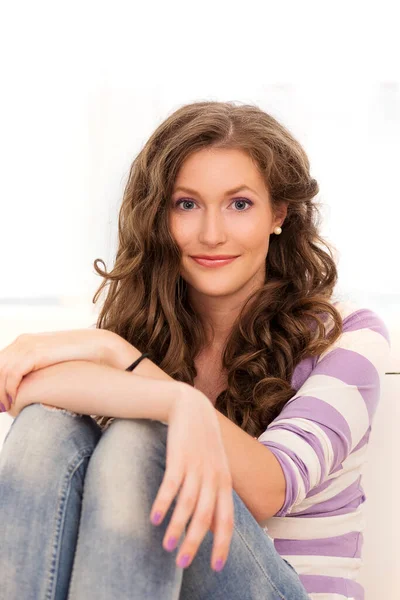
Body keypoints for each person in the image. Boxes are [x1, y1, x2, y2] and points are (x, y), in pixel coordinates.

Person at [0, 100, 390, 600]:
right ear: (160, 217)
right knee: (45, 425)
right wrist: (175, 399)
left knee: (145, 445)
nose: (211, 233)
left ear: (279, 213)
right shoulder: (144, 333)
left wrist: (116, 356)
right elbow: (24, 390)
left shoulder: (348, 338)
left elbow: (271, 489)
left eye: (239, 204)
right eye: (187, 204)